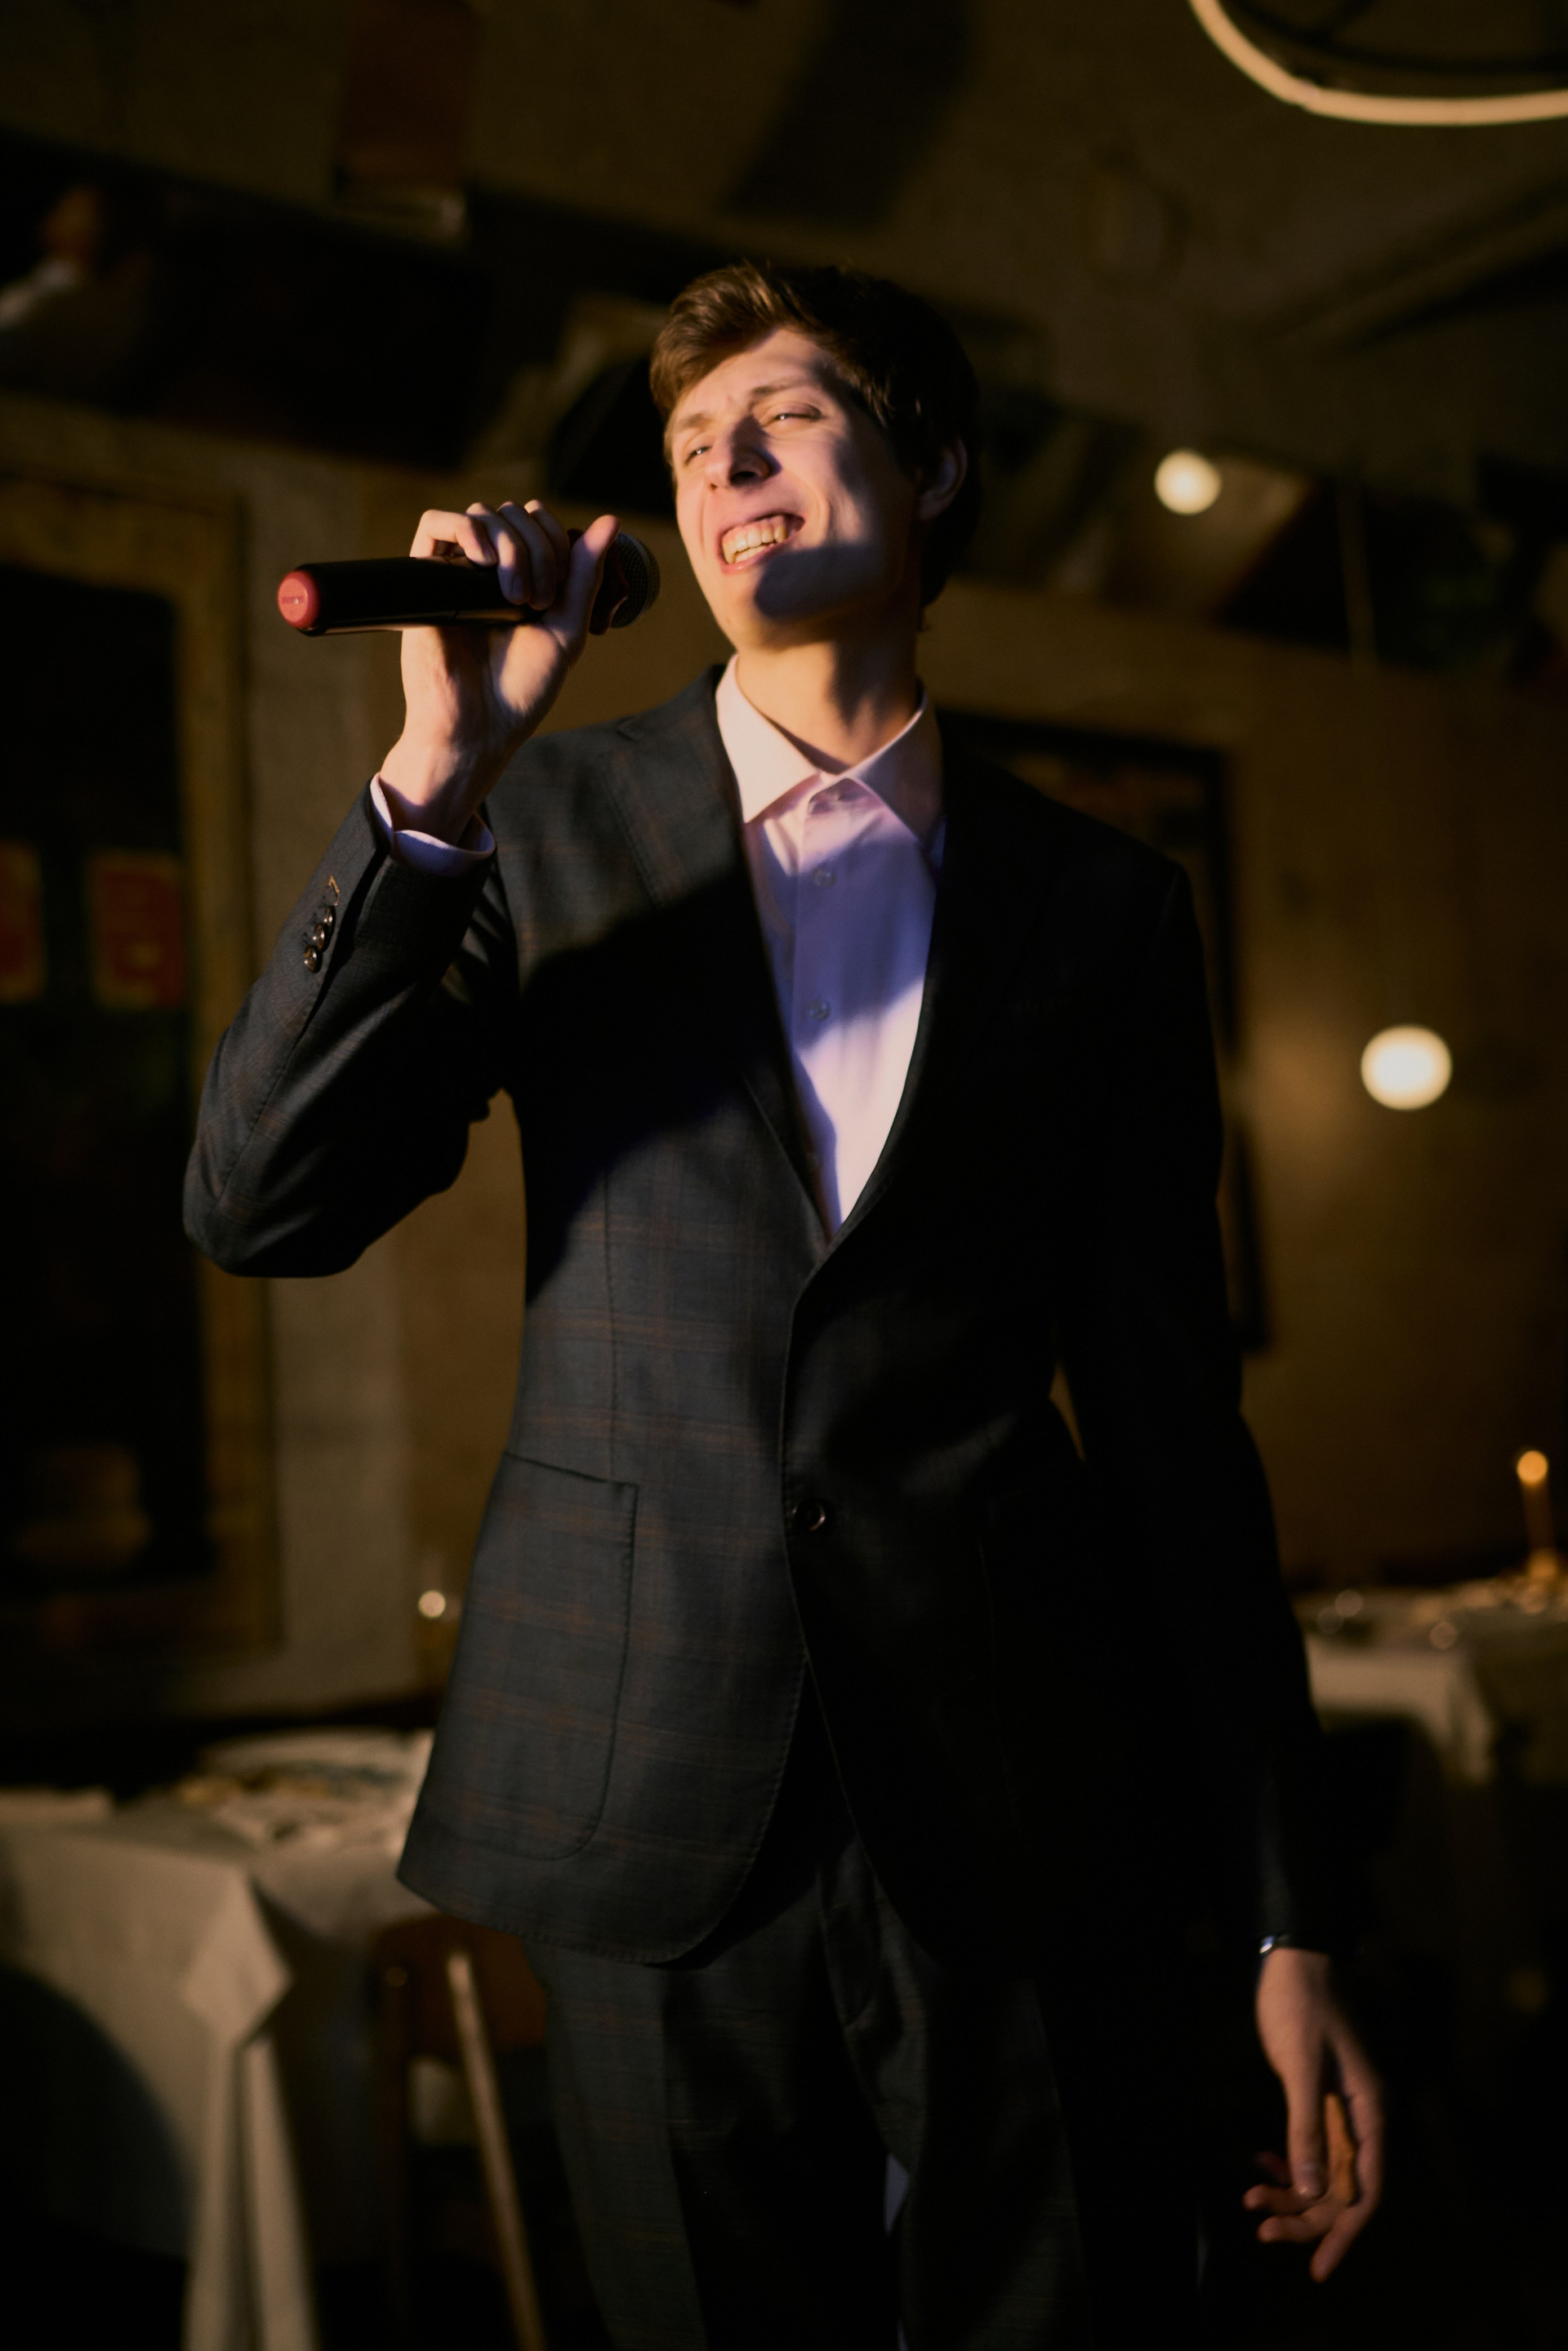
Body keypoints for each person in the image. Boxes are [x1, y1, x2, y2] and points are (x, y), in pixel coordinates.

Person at [186, 260, 1382, 2349]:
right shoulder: (541, 825)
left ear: (934, 472)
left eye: (787, 416)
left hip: (1022, 1808)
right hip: (643, 1796)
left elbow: (1177, 1439)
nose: (725, 462)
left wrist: (1289, 1916)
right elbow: (257, 1204)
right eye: (688, 442)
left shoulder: (1103, 910)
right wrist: (437, 782)